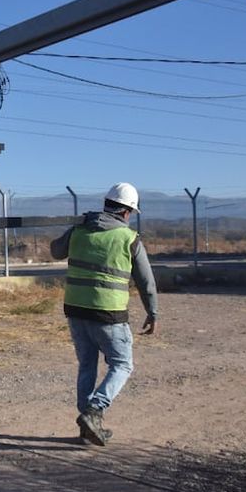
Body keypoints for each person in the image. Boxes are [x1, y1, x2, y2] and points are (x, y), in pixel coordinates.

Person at [50, 182, 158, 447]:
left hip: (75, 310)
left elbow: (55, 251)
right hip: (108, 313)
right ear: (126, 212)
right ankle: (94, 411)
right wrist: (152, 312)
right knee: (122, 365)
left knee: (87, 365)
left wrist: (76, 226)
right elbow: (146, 282)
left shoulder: (79, 229)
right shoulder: (129, 238)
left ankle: (87, 427)